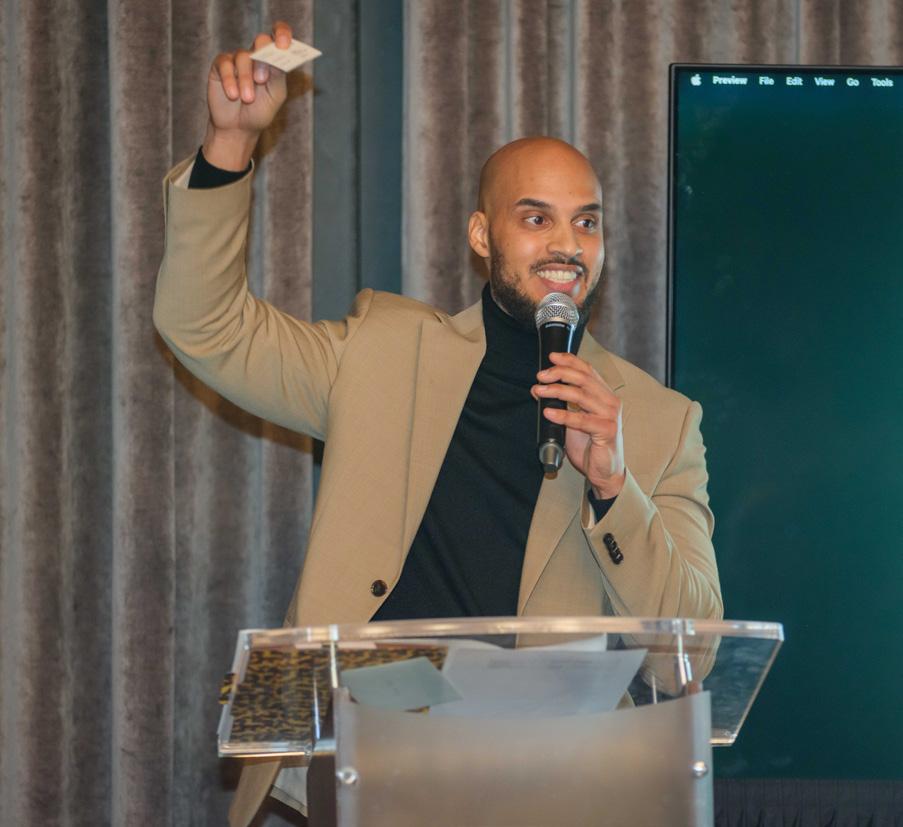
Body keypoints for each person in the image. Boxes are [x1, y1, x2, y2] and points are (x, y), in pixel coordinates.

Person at [154, 21, 721, 827]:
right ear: (482, 236)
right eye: (536, 219)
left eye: (587, 222)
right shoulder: (384, 351)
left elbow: (694, 649)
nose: (567, 244)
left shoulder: (659, 421)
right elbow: (204, 327)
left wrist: (611, 485)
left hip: (550, 787)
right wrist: (229, 144)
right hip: (367, 755)